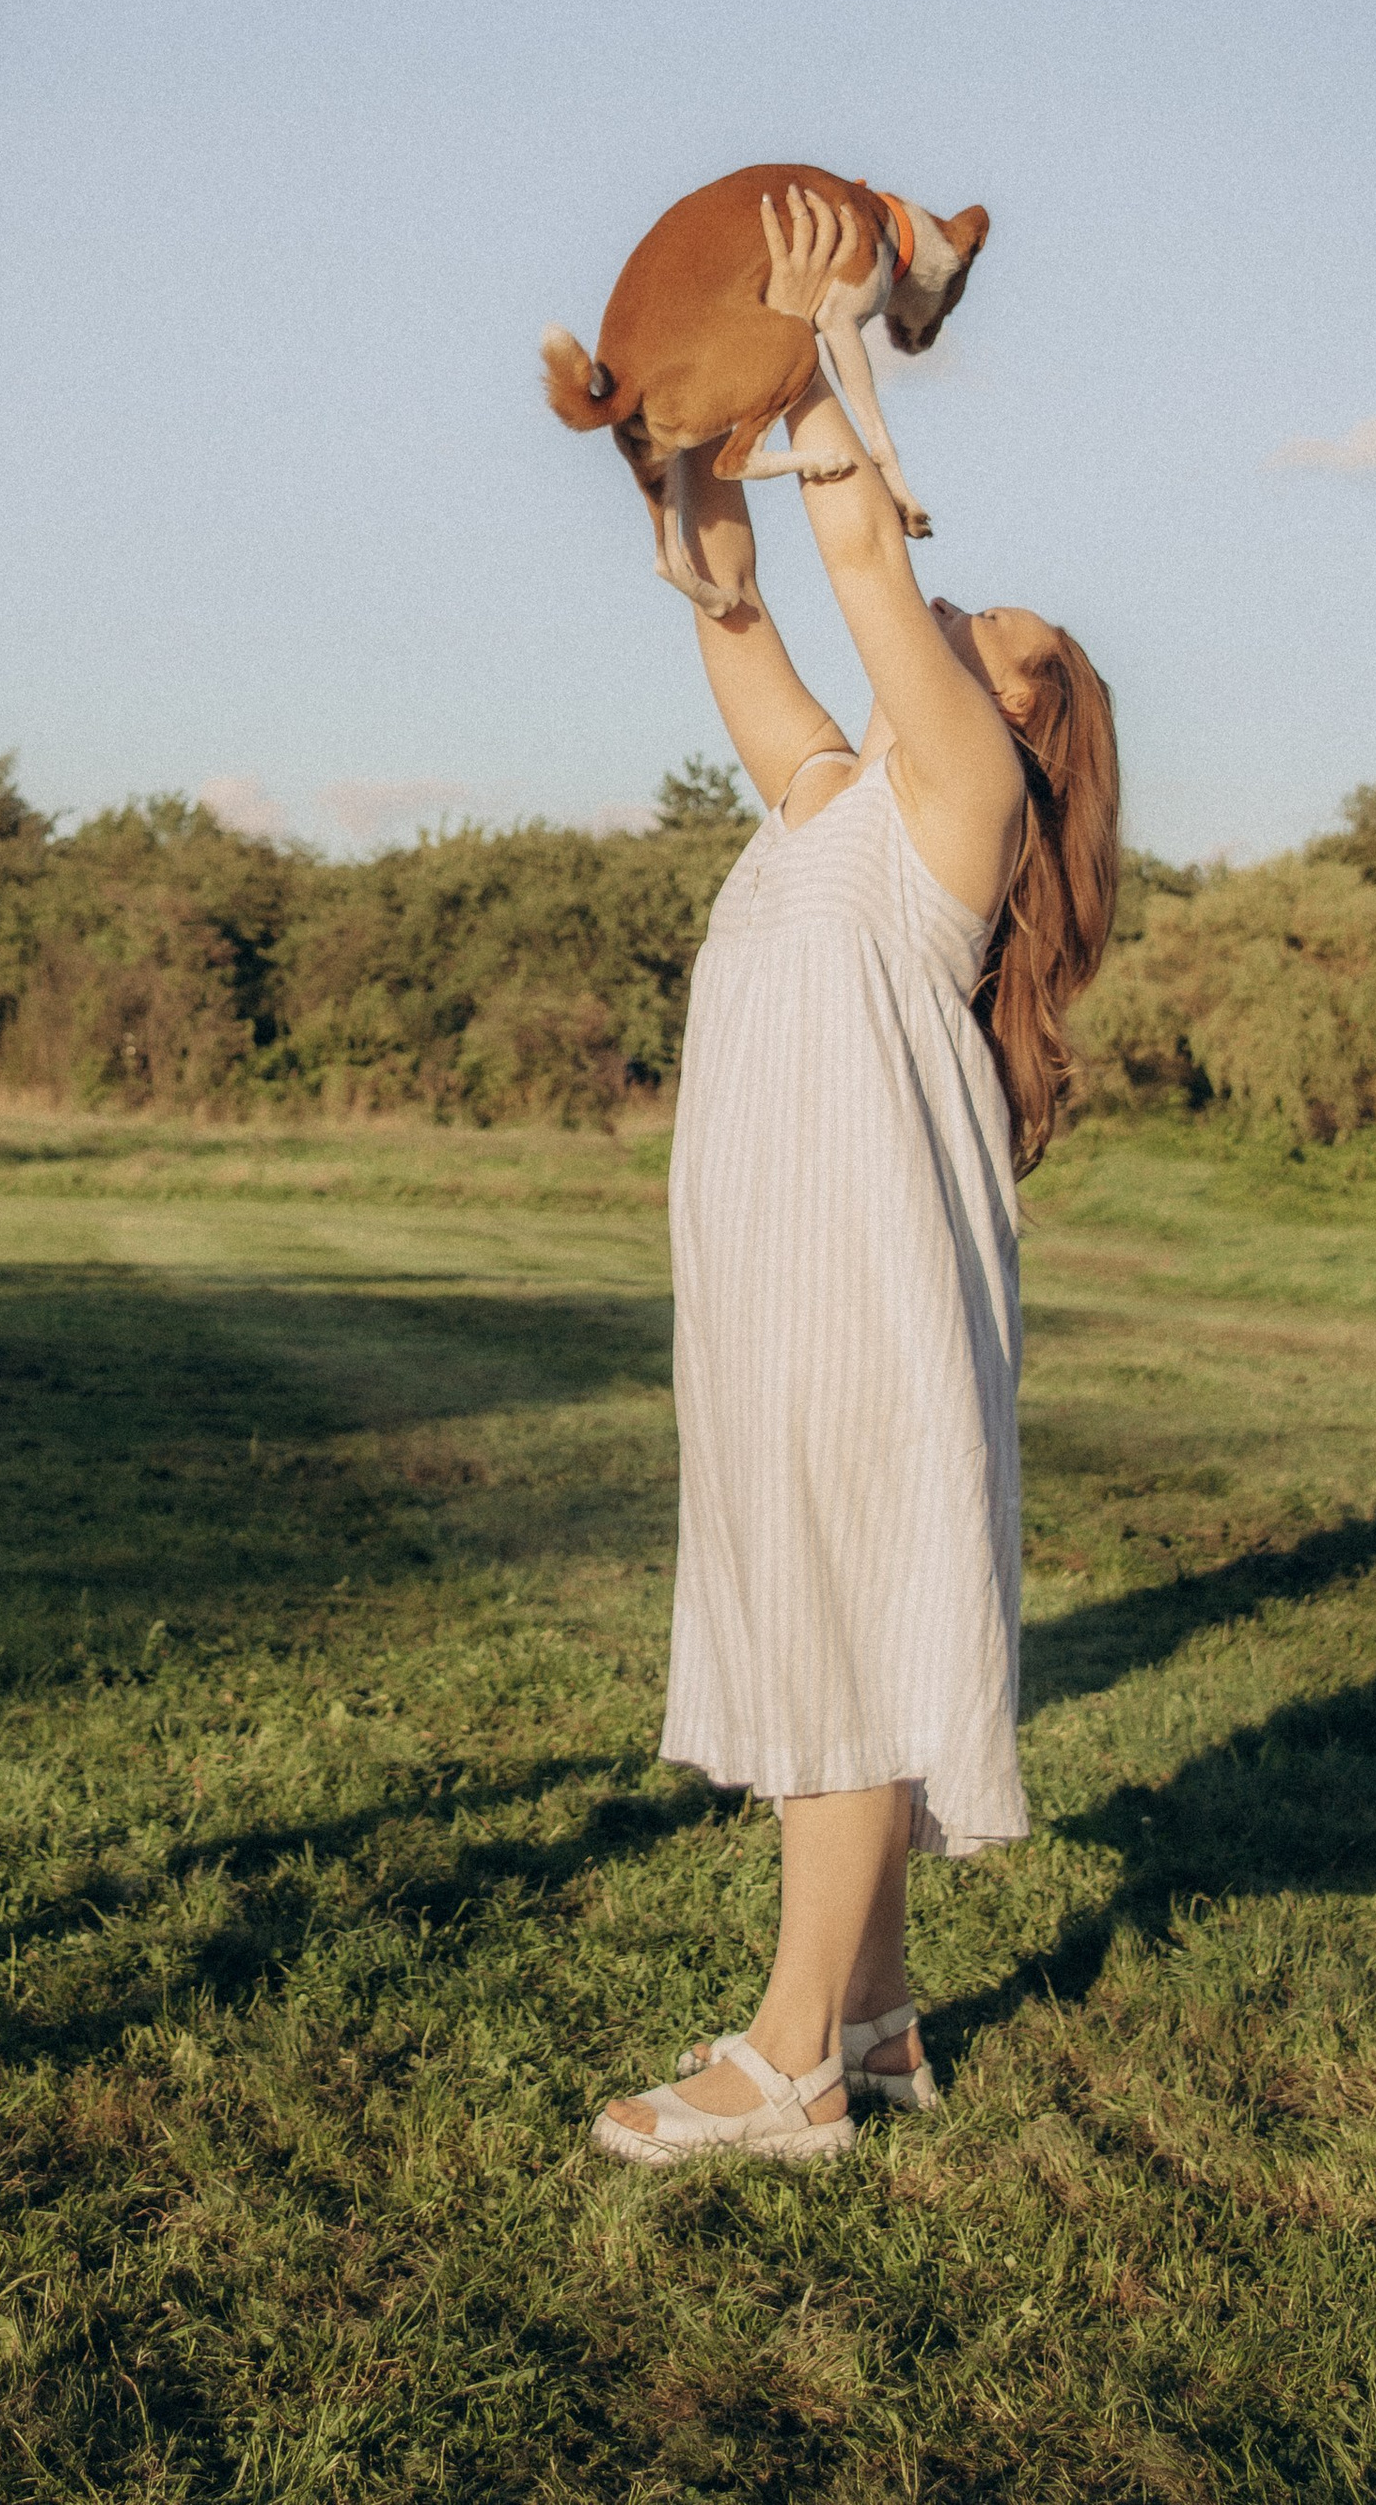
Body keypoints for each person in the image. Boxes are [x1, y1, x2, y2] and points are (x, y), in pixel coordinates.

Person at [594, 185, 1119, 2169]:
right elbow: (736, 607)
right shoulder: (839, 804)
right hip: (783, 1258)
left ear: (1032, 729)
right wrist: (669, 455)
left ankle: (787, 2058)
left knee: (832, 1611)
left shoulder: (966, 802)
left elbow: (844, 550)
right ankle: (883, 2015)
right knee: (845, 1601)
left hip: (857, 1265)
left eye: (1008, 645)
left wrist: (838, 333)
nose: (972, 623)